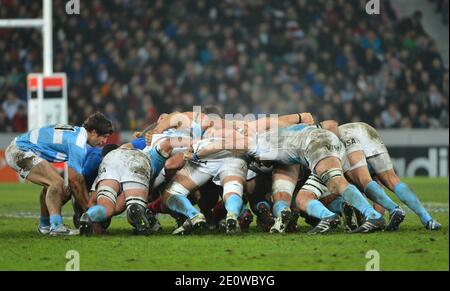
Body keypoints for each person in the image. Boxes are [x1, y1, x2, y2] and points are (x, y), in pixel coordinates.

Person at [5, 112, 113, 235]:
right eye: (104, 137)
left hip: (20, 147)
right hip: (20, 150)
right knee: (56, 182)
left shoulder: (77, 134)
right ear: (93, 132)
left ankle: (45, 225)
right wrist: (89, 213)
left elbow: (75, 180)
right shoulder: (78, 143)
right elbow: (74, 181)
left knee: (51, 185)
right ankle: (57, 227)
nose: (104, 141)